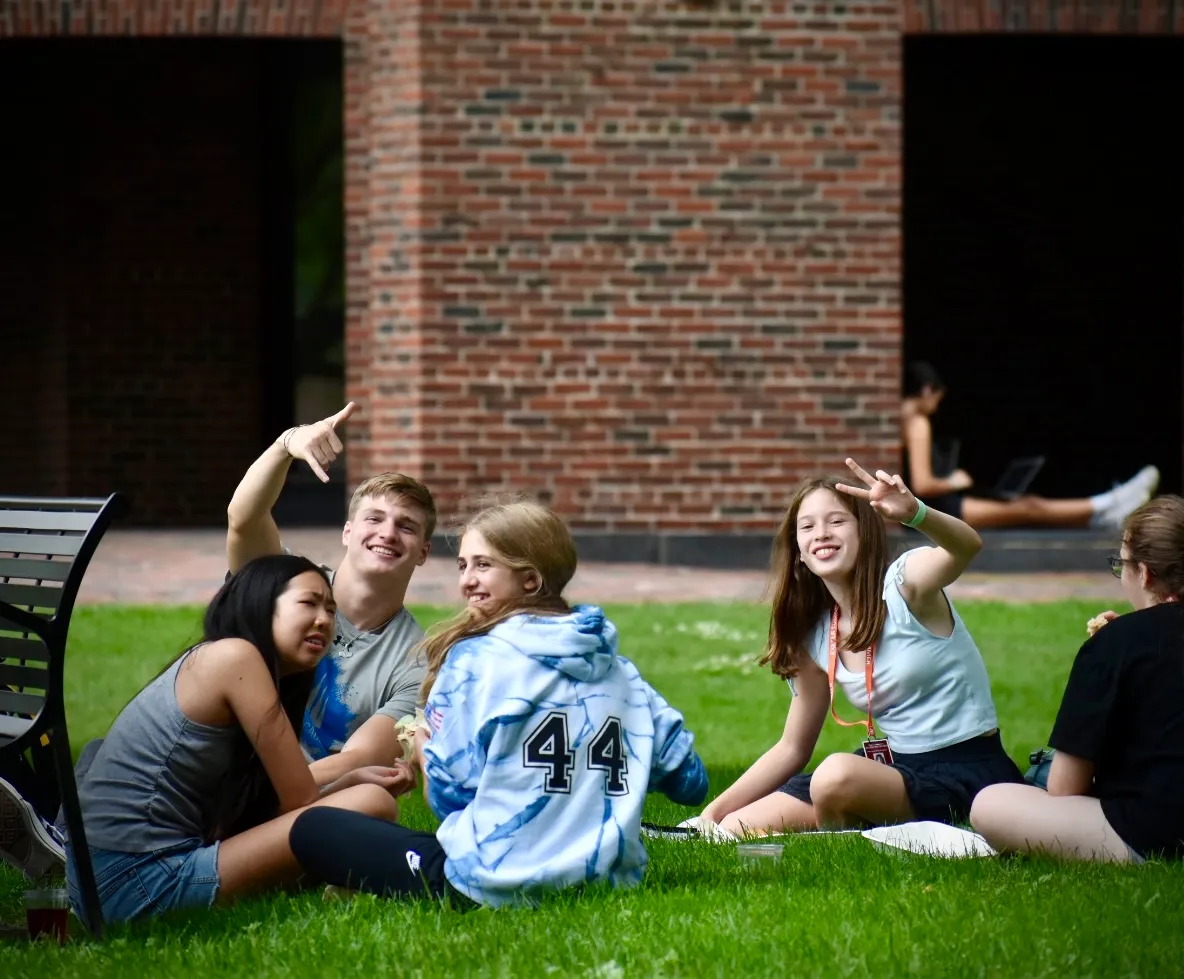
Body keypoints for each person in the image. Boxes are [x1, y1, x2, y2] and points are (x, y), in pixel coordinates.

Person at [288, 499, 708, 907]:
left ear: (530, 579)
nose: (466, 580)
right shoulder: (625, 675)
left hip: (492, 884)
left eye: (483, 565)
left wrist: (423, 750)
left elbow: (450, 799)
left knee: (313, 827)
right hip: (610, 882)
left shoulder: (474, 662)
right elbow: (692, 785)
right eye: (463, 565)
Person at [60, 554, 414, 923]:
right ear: (262, 604)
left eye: (330, 609)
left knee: (360, 800)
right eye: (309, 603)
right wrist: (348, 789)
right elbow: (301, 805)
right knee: (371, 803)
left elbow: (259, 810)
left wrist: (345, 781)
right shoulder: (236, 658)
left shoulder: (222, 659)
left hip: (98, 880)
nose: (325, 620)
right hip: (139, 881)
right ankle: (433, 873)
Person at [696, 459, 1023, 838]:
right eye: (808, 526)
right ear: (799, 552)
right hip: (893, 769)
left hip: (965, 769)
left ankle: (847, 837)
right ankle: (853, 824)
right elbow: (792, 748)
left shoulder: (905, 586)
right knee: (737, 827)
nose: (821, 533)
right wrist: (712, 813)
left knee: (834, 776)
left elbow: (966, 546)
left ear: (864, 533)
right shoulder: (816, 632)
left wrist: (916, 512)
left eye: (836, 521)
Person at [227, 402, 436, 784]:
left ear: (423, 552)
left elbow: (357, 759)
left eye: (406, 527)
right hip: (222, 767)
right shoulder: (287, 583)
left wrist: (263, 801)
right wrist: (286, 444)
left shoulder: (416, 663)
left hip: (299, 796)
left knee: (373, 802)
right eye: (374, 519)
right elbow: (245, 518)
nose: (387, 534)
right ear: (347, 532)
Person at [969, 496, 1184, 862]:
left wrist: (1110, 654)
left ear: (1144, 572)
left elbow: (1065, 787)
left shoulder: (1114, 644)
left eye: (1122, 565)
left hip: (1152, 830)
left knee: (991, 803)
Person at [902, 361, 1158, 530]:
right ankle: (1110, 504)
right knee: (1030, 507)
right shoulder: (918, 422)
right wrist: (954, 481)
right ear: (926, 390)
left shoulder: (900, 418)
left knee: (1029, 504)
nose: (936, 405)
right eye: (937, 398)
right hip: (941, 509)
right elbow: (923, 484)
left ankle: (1107, 510)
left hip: (934, 508)